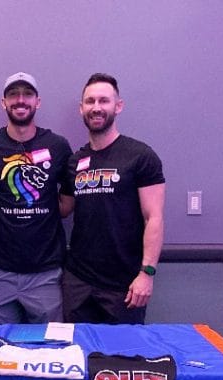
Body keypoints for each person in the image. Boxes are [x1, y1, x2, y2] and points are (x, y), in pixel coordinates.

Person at [61, 73, 165, 324]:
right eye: (90, 101)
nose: (96, 107)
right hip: (78, 283)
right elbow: (63, 208)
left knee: (120, 359)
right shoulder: (75, 161)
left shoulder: (140, 156)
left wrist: (147, 273)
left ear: (118, 106)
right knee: (78, 354)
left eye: (104, 101)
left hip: (124, 285)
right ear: (81, 109)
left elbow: (154, 218)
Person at [0, 72, 72, 324]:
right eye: (13, 94)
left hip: (46, 272)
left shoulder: (57, 146)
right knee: (1, 349)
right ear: (3, 102)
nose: (20, 100)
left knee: (48, 348)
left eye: (27, 94)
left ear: (37, 102)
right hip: (0, 271)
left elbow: (68, 201)